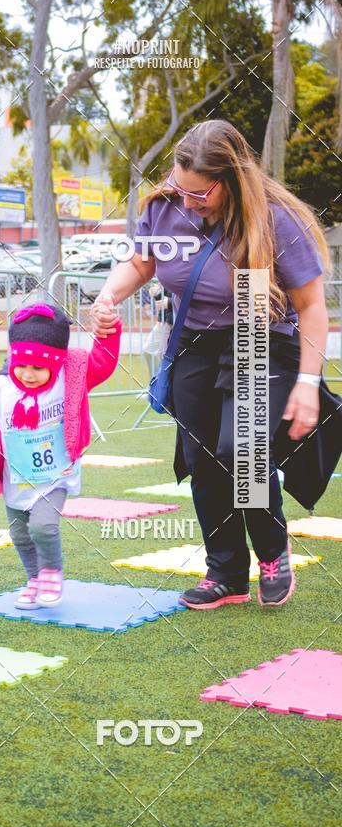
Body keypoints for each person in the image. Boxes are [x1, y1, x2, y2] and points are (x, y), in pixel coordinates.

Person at [91, 119, 339, 610]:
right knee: (201, 456)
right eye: (180, 188)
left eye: (200, 194)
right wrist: (107, 296)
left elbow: (311, 306)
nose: (187, 203)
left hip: (256, 326)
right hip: (193, 340)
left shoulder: (272, 219)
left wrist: (308, 382)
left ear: (231, 180)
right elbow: (142, 263)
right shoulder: (165, 207)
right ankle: (225, 573)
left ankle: (272, 551)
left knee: (240, 448)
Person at [0, 303, 122, 608]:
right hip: (16, 478)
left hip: (54, 477)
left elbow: (103, 363)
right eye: (22, 365)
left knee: (43, 526)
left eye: (38, 367)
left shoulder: (69, 379)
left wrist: (108, 331)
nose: (28, 374)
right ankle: (33, 578)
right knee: (20, 534)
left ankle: (50, 573)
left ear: (56, 363)